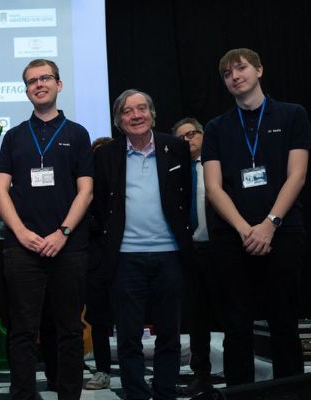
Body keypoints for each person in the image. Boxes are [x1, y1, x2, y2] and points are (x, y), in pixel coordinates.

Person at [202, 48, 310, 385]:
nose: (235, 76)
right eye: (227, 74)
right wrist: (245, 229)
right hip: (233, 237)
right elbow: (213, 187)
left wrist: (269, 225)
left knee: (284, 321)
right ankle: (241, 392)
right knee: (236, 324)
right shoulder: (216, 127)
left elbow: (297, 176)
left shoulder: (292, 115)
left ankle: (290, 392)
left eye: (241, 68)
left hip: (282, 232)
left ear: (259, 70)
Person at [0, 59, 93, 400]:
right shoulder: (14, 137)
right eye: (32, 81)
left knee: (69, 330)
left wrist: (62, 233)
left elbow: (86, 191)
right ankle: (23, 395)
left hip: (68, 246)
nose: (39, 84)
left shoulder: (78, 134)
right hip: (22, 248)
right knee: (22, 330)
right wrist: (21, 233)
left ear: (59, 85)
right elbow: (0, 189)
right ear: (26, 90)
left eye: (45, 78)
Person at [93, 89, 193, 400]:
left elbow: (185, 198)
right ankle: (136, 394)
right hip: (125, 257)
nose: (136, 115)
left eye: (141, 109)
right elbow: (100, 206)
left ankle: (165, 393)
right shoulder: (105, 156)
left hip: (170, 254)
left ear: (152, 114)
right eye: (127, 111)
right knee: (128, 336)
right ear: (118, 121)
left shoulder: (176, 148)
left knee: (169, 334)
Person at [171, 118, 217, 396]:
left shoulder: (216, 165)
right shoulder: (175, 172)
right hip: (189, 251)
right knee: (196, 316)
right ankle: (201, 373)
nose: (188, 140)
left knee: (230, 310)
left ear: (202, 135)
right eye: (181, 137)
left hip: (219, 248)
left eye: (192, 134)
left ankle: (239, 371)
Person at [84, 136, 114, 391]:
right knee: (98, 319)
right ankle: (103, 370)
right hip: (94, 261)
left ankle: (134, 370)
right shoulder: (85, 189)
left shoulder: (125, 183)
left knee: (130, 317)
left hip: (125, 257)